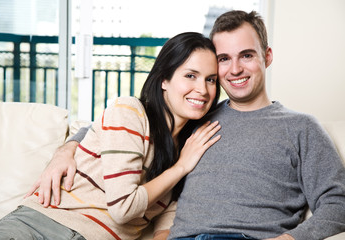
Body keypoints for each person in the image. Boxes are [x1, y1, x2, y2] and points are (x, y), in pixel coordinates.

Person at [25, 10, 345, 240]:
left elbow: (337, 203)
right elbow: (117, 126)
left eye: (246, 55)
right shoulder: (196, 119)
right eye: (223, 59)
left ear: (267, 56)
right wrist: (67, 148)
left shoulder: (301, 128)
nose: (235, 69)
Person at [0, 32, 222, 240]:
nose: (202, 89)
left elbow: (171, 211)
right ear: (164, 80)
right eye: (190, 76)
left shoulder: (193, 145)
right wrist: (181, 167)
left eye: (210, 79)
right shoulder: (131, 113)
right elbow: (123, 208)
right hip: (40, 224)